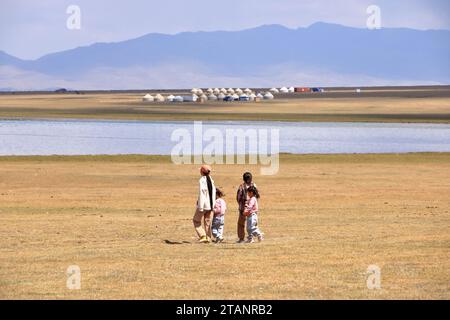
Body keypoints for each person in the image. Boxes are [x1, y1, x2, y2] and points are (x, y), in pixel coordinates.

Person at [193, 164, 216, 243]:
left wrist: (200, 206)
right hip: (211, 205)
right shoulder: (211, 179)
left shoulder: (202, 180)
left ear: (202, 171)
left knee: (196, 220)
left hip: (204, 205)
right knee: (207, 222)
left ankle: (202, 235)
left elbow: (202, 193)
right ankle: (208, 238)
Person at [236, 172, 257, 243]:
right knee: (252, 223)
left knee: (241, 224)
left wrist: (241, 204)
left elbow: (238, 197)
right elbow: (256, 196)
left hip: (243, 209)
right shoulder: (254, 185)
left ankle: (241, 238)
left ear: (243, 179)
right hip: (252, 209)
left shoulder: (241, 186)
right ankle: (251, 238)